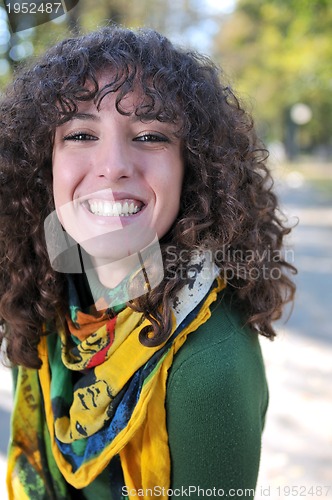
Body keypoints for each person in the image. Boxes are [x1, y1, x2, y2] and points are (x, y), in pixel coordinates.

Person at [0, 26, 296, 499]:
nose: (114, 164)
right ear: (43, 167)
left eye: (150, 134)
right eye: (79, 133)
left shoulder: (210, 367)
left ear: (193, 170)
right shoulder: (38, 304)